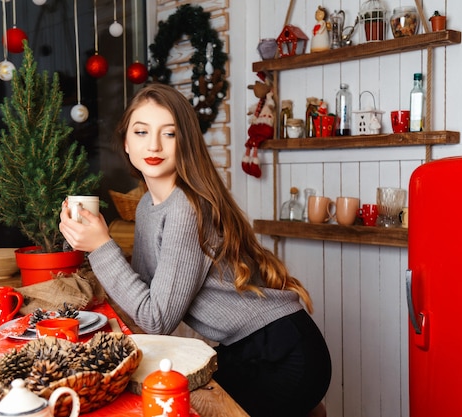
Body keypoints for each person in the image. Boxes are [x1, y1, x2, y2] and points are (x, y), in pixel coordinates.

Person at [59, 83, 331, 417]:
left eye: (169, 134)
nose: (154, 145)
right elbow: (144, 295)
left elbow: (157, 320)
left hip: (283, 355)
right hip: (246, 349)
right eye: (141, 132)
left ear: (185, 141)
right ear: (126, 143)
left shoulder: (186, 208)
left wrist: (101, 246)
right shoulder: (147, 205)